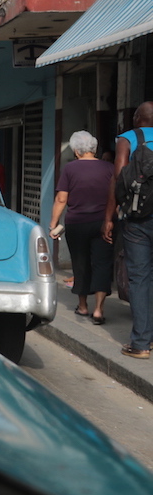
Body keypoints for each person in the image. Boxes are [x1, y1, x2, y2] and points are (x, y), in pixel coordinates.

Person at [103, 102, 153, 359]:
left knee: (140, 278)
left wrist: (109, 216)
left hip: (138, 219)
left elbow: (118, 177)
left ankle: (142, 343)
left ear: (136, 118)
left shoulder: (128, 138)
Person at [49, 131, 114, 325]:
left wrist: (53, 223)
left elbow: (62, 198)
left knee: (81, 263)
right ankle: (99, 310)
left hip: (77, 223)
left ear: (77, 151)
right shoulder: (110, 168)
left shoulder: (70, 169)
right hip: (103, 223)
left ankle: (83, 306)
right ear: (94, 149)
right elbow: (117, 196)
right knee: (102, 264)